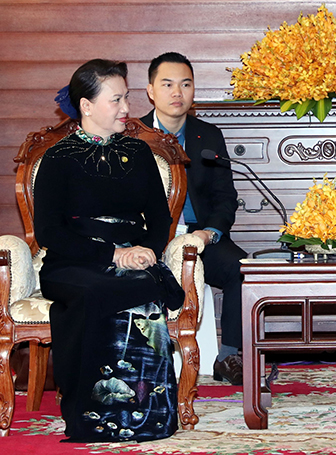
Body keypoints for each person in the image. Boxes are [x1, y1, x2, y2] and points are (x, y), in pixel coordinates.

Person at [35, 59, 184, 442]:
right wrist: (112, 255)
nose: (126, 108)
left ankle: (149, 414)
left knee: (141, 284)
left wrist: (147, 250)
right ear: (87, 105)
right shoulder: (57, 158)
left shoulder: (139, 153)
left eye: (126, 98)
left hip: (133, 256)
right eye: (116, 100)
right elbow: (49, 232)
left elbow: (160, 218)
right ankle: (91, 416)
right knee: (101, 289)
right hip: (72, 263)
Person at [140, 52, 246, 385]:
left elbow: (225, 197)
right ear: (150, 91)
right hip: (151, 239)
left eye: (185, 85)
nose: (177, 93)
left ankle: (229, 356)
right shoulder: (133, 136)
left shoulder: (208, 136)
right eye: (167, 84)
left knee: (242, 270)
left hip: (199, 237)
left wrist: (208, 233)